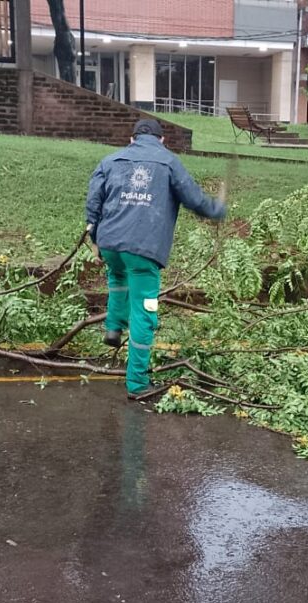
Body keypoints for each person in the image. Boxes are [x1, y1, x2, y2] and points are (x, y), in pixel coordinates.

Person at [85, 119, 226, 398]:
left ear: (131, 138)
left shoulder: (110, 160)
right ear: (162, 140)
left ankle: (113, 328)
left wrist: (93, 234)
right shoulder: (169, 162)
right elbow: (194, 198)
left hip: (111, 242)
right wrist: (217, 209)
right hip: (144, 249)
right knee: (144, 311)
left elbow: (94, 198)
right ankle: (137, 384)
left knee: (117, 277)